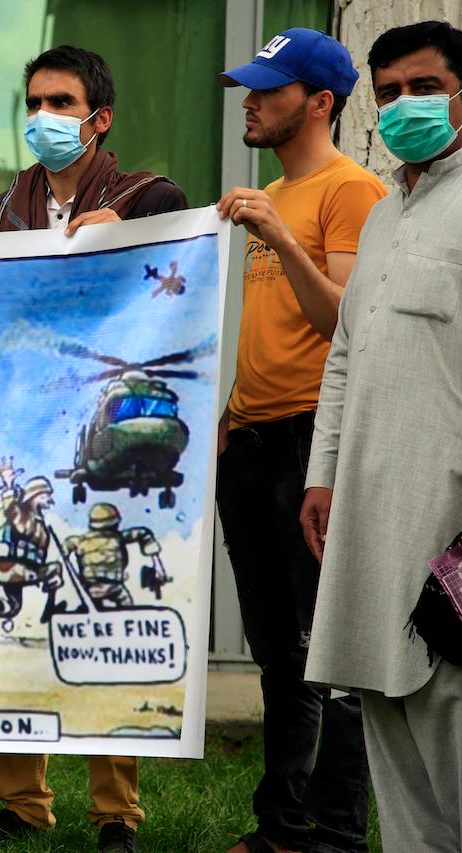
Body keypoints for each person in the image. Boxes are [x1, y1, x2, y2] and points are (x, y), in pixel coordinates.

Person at [0, 45, 188, 853]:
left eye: (61, 103)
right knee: (22, 607)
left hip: (111, 457)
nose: (44, 117)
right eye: (34, 101)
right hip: (30, 434)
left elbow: (181, 278)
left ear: (99, 119)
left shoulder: (152, 195)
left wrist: (130, 234)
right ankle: (22, 800)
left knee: (111, 613)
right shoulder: (7, 206)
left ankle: (116, 813)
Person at [215, 27, 385, 853]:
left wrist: (281, 239)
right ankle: (279, 824)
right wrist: (227, 418)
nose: (249, 100)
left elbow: (345, 322)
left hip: (312, 444)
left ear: (319, 102)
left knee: (332, 651)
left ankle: (338, 831)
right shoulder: (272, 192)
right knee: (276, 652)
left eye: (267, 89)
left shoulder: (350, 191)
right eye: (248, 86)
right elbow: (269, 331)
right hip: (251, 439)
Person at [298, 20, 462, 853]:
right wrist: (321, 475)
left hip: (450, 523)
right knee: (389, 711)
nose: (405, 105)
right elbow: (346, 354)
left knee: (450, 712)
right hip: (371, 510)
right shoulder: (387, 213)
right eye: (390, 91)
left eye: (424, 87)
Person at [0, 460, 64, 625]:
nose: (50, 500)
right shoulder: (24, 516)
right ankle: (50, 610)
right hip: (17, 569)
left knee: (13, 608)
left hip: (8, 571)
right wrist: (9, 484)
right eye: (46, 495)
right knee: (55, 569)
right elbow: (10, 512)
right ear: (35, 496)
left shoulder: (37, 520)